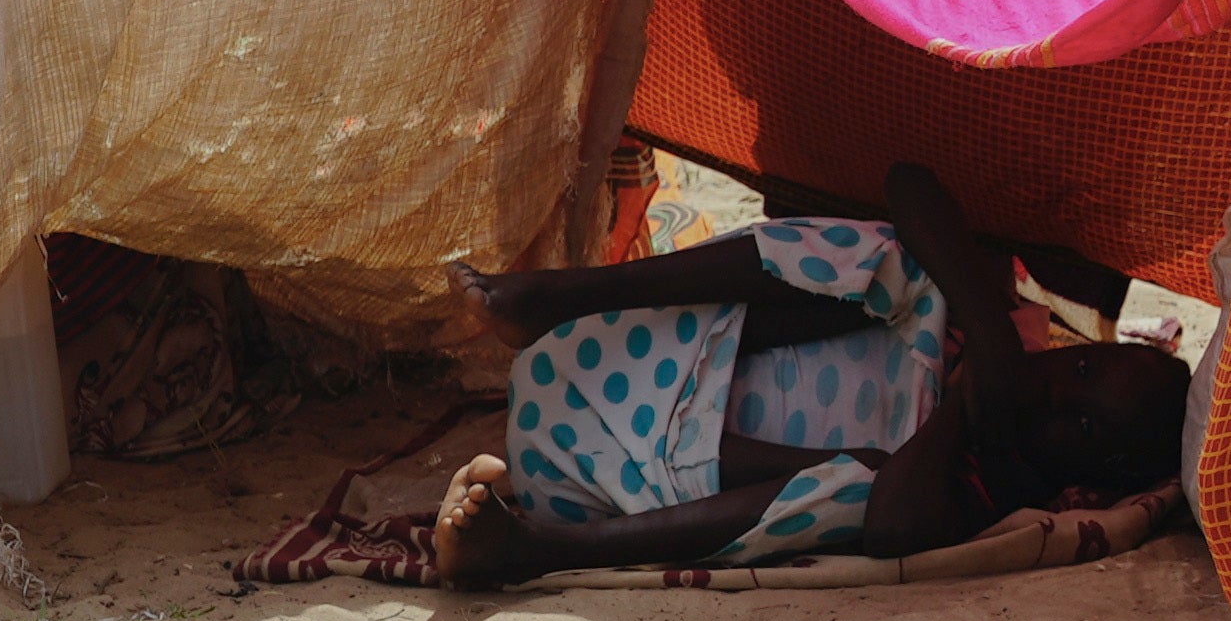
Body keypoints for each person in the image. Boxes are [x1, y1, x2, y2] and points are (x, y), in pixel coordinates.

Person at [430, 164, 1185, 589]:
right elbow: (910, 186)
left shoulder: (1004, 481)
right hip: (613, 343)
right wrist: (988, 340)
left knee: (868, 487)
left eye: (1083, 426)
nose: (1059, 394)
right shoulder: (995, 318)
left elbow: (895, 529)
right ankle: (554, 292)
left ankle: (541, 548)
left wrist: (960, 408)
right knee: (901, 272)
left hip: (622, 475)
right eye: (1082, 365)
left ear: (1094, 476)